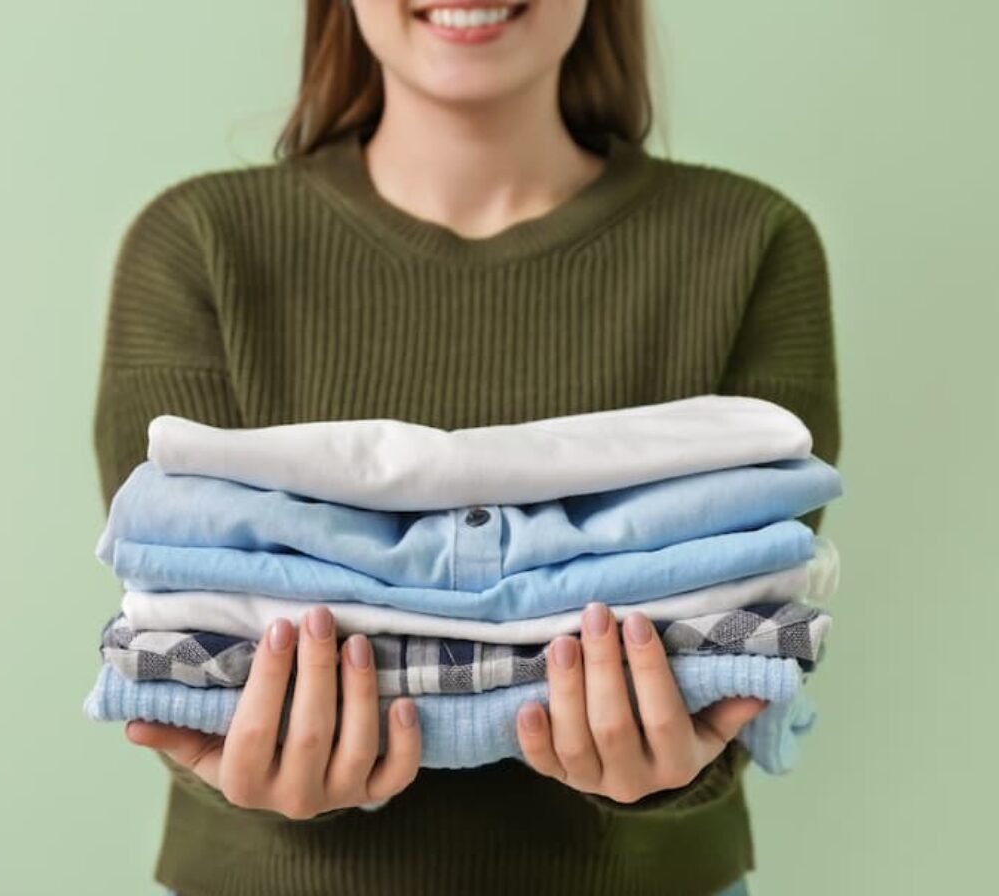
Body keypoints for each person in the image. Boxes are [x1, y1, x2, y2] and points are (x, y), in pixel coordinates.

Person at [92, 2, 841, 894]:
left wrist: (675, 764)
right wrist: (241, 757)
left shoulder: (748, 242)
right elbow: (178, 611)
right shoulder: (203, 246)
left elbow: (753, 627)